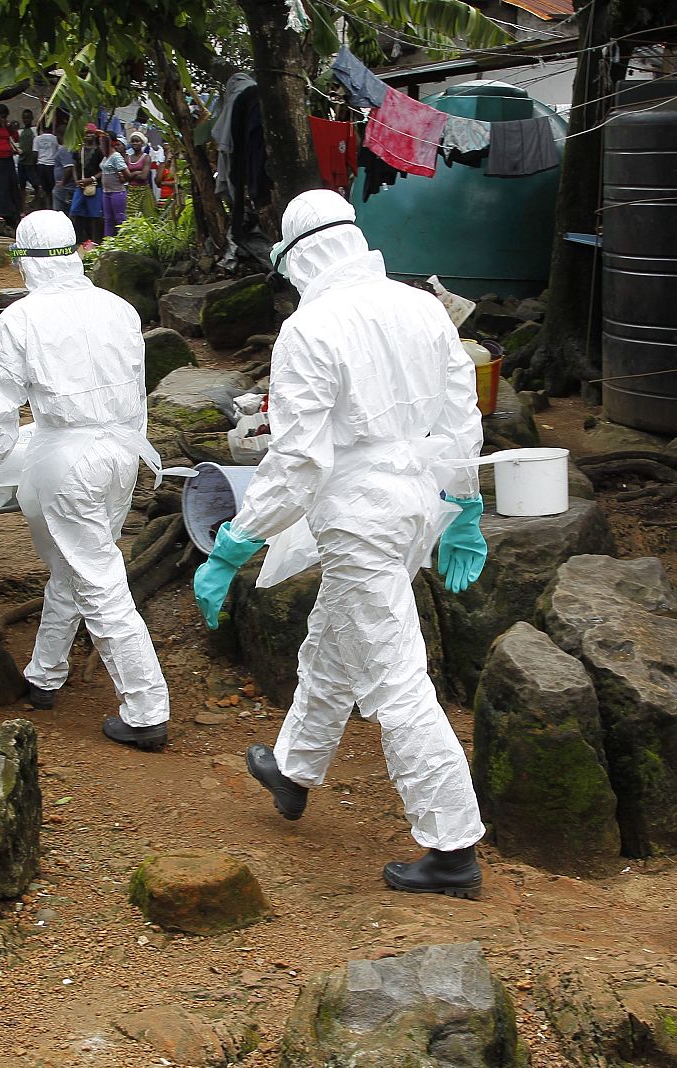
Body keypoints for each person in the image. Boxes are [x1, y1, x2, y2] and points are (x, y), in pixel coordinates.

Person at [191, 190, 489, 898]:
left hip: (358, 515)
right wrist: (464, 505)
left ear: (297, 256)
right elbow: (461, 418)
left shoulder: (309, 328)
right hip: (415, 503)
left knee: (397, 679)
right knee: (335, 634)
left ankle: (452, 847)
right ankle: (294, 769)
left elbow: (298, 461)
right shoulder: (423, 307)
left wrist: (235, 542)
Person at [0, 211, 171, 748]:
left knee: (98, 582)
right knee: (73, 567)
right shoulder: (119, 309)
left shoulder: (19, 320)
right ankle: (45, 675)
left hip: (66, 459)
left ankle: (147, 711)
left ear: (23, 260)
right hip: (123, 453)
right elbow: (137, 391)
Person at [68, 124, 104, 245]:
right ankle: (77, 240)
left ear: (95, 135)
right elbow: (74, 166)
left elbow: (103, 169)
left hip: (94, 186)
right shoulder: (79, 149)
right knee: (74, 211)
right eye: (86, 133)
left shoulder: (99, 151)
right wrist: (76, 180)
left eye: (90, 133)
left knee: (95, 215)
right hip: (80, 186)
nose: (88, 136)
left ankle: (94, 241)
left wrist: (91, 179)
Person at [99, 133, 128, 237]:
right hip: (106, 192)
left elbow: (127, 174)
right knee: (108, 219)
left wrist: (123, 179)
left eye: (102, 142)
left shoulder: (116, 156)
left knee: (119, 218)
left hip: (117, 192)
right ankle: (108, 240)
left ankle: (123, 240)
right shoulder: (105, 157)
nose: (101, 145)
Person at [33, 124, 59, 202]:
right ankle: (53, 204)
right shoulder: (55, 138)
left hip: (41, 164)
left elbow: (35, 153)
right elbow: (58, 150)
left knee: (44, 187)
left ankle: (46, 204)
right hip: (51, 165)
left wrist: (35, 166)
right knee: (52, 187)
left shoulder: (37, 139)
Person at [18, 109, 37, 205]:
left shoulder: (34, 130)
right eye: (25, 118)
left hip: (31, 163)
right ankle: (23, 205)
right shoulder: (20, 132)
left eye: (28, 118)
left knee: (35, 184)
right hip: (21, 162)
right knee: (22, 185)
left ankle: (37, 203)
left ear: (32, 118)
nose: (26, 120)